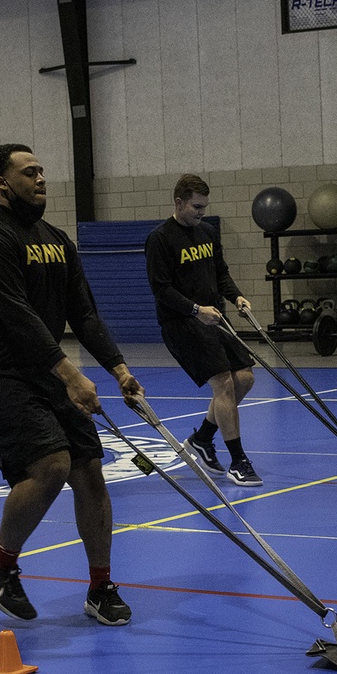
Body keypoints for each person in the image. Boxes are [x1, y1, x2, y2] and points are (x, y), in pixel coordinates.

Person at [0, 143, 144, 626]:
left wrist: (119, 370)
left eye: (41, 171)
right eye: (29, 172)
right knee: (51, 465)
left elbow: (84, 313)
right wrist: (72, 374)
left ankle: (101, 586)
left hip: (43, 369)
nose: (40, 178)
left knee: (89, 471)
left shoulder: (56, 240)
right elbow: (17, 316)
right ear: (1, 183)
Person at [144, 173, 261, 487]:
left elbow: (220, 272)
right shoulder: (160, 238)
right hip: (182, 323)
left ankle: (202, 439)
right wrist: (195, 310)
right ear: (179, 202)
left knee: (245, 379)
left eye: (204, 207)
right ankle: (239, 461)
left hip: (215, 318)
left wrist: (236, 296)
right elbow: (161, 290)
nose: (200, 212)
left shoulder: (207, 232)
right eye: (195, 206)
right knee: (223, 384)